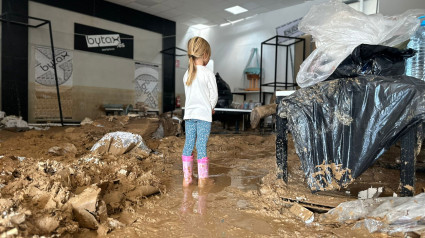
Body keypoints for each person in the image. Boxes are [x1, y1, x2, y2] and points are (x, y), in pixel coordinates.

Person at [181, 36, 218, 187]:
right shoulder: (208, 73)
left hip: (189, 116)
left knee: (188, 144)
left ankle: (187, 179)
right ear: (205, 55)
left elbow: (189, 96)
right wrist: (210, 108)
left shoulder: (187, 73)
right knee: (201, 145)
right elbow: (213, 95)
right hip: (203, 116)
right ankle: (203, 180)